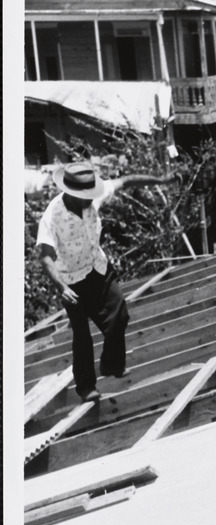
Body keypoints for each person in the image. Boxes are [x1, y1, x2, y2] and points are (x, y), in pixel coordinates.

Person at [36, 161, 176, 402]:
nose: (91, 199)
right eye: (85, 196)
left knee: (119, 315)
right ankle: (86, 387)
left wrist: (161, 181)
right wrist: (62, 288)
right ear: (71, 193)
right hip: (71, 281)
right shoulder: (52, 217)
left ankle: (111, 365)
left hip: (98, 268)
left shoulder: (94, 196)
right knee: (82, 335)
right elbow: (46, 258)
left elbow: (127, 180)